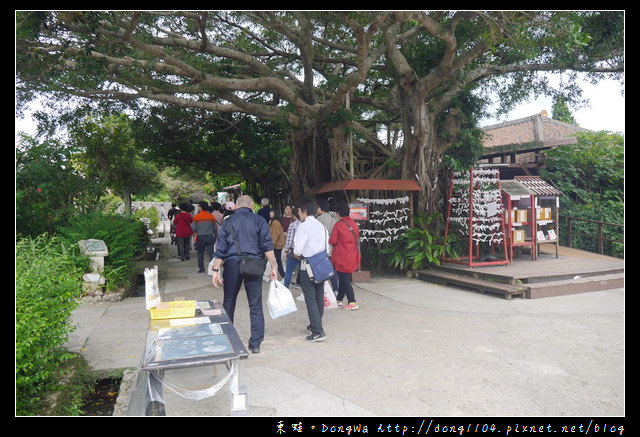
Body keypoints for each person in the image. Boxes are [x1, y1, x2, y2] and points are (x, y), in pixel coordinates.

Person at [211, 195, 278, 354]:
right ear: (252, 206)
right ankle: (255, 344)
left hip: (232, 265)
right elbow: (267, 246)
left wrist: (215, 270)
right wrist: (273, 266)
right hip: (254, 264)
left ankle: (228, 341)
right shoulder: (260, 221)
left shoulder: (228, 222)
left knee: (229, 302)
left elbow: (220, 249)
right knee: (255, 305)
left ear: (235, 207)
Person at [293, 198, 330, 342]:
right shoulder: (321, 226)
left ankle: (318, 331)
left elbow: (297, 249)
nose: (299, 215)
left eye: (299, 212)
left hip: (307, 266)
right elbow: (327, 247)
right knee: (319, 295)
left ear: (305, 211)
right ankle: (315, 324)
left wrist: (297, 253)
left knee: (310, 297)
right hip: (321, 264)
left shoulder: (304, 226)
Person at [329, 202, 361, 310]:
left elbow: (333, 241)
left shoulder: (338, 225)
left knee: (344, 279)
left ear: (338, 213)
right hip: (352, 254)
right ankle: (339, 299)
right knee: (344, 277)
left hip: (341, 256)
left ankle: (352, 301)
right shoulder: (354, 224)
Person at [316, 198, 339, 291]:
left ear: (321, 208)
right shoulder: (333, 218)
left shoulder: (318, 219)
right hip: (332, 246)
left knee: (321, 269)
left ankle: (323, 290)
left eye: (317, 208)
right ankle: (335, 289)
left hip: (322, 247)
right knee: (332, 269)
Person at [191, 201, 219, 274]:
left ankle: (202, 269)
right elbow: (215, 228)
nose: (198, 208)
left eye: (199, 206)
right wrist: (216, 237)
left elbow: (194, 228)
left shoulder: (196, 217)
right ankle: (212, 269)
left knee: (200, 254)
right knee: (211, 254)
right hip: (210, 237)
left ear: (201, 207)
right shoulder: (211, 216)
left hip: (200, 237)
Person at [269, 209, 286, 279]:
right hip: (278, 244)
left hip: (277, 245)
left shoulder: (275, 222)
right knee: (277, 261)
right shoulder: (275, 221)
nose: (270, 213)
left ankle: (283, 276)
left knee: (277, 261)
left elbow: (275, 234)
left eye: (272, 212)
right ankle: (283, 275)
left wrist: (271, 245)